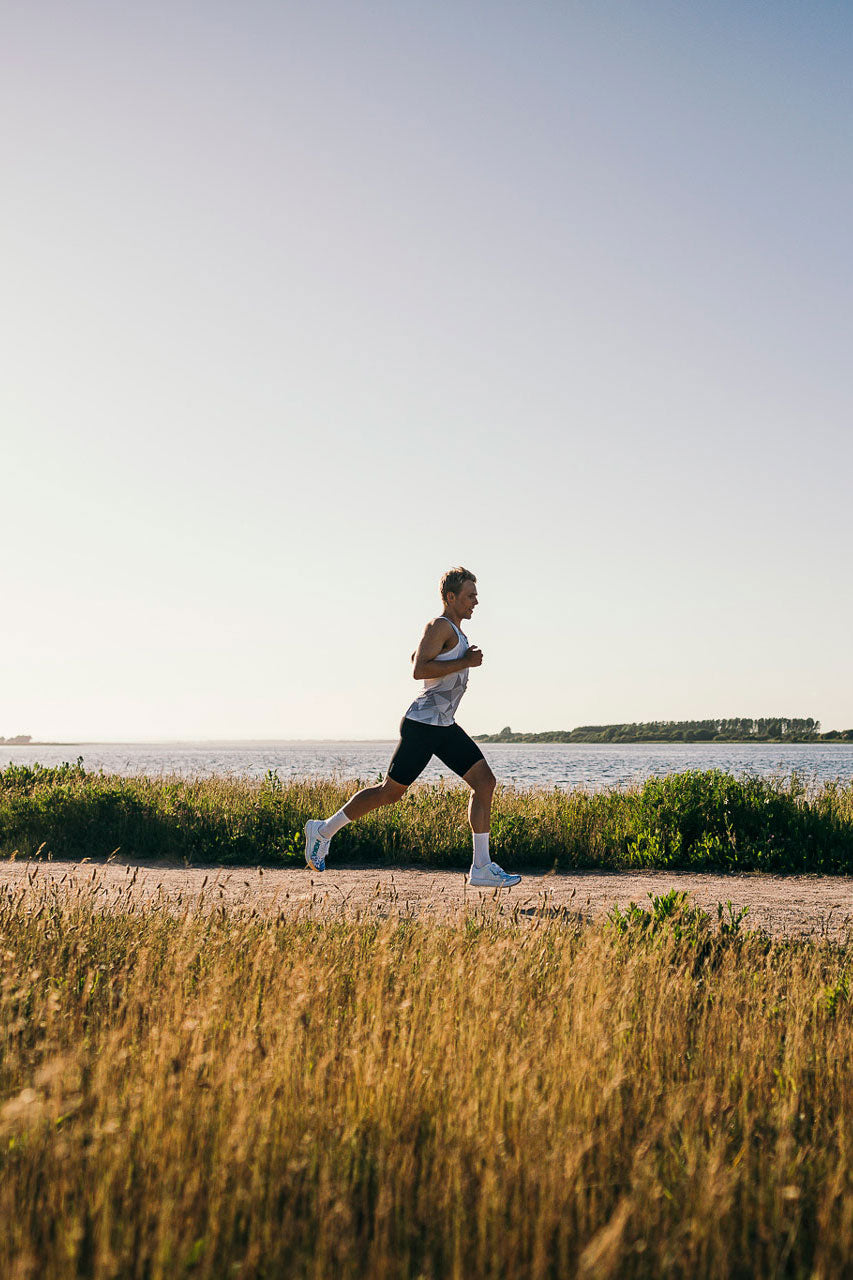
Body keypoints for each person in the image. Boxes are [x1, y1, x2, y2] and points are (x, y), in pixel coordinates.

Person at [304, 567, 521, 888]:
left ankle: (482, 867)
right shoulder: (439, 625)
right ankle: (322, 831)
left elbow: (417, 657)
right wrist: (465, 662)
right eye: (470, 595)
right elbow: (419, 669)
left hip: (443, 725)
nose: (476, 601)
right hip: (423, 724)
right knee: (390, 793)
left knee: (484, 782)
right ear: (451, 597)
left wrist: (451, 656)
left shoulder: (455, 632)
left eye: (476, 595)